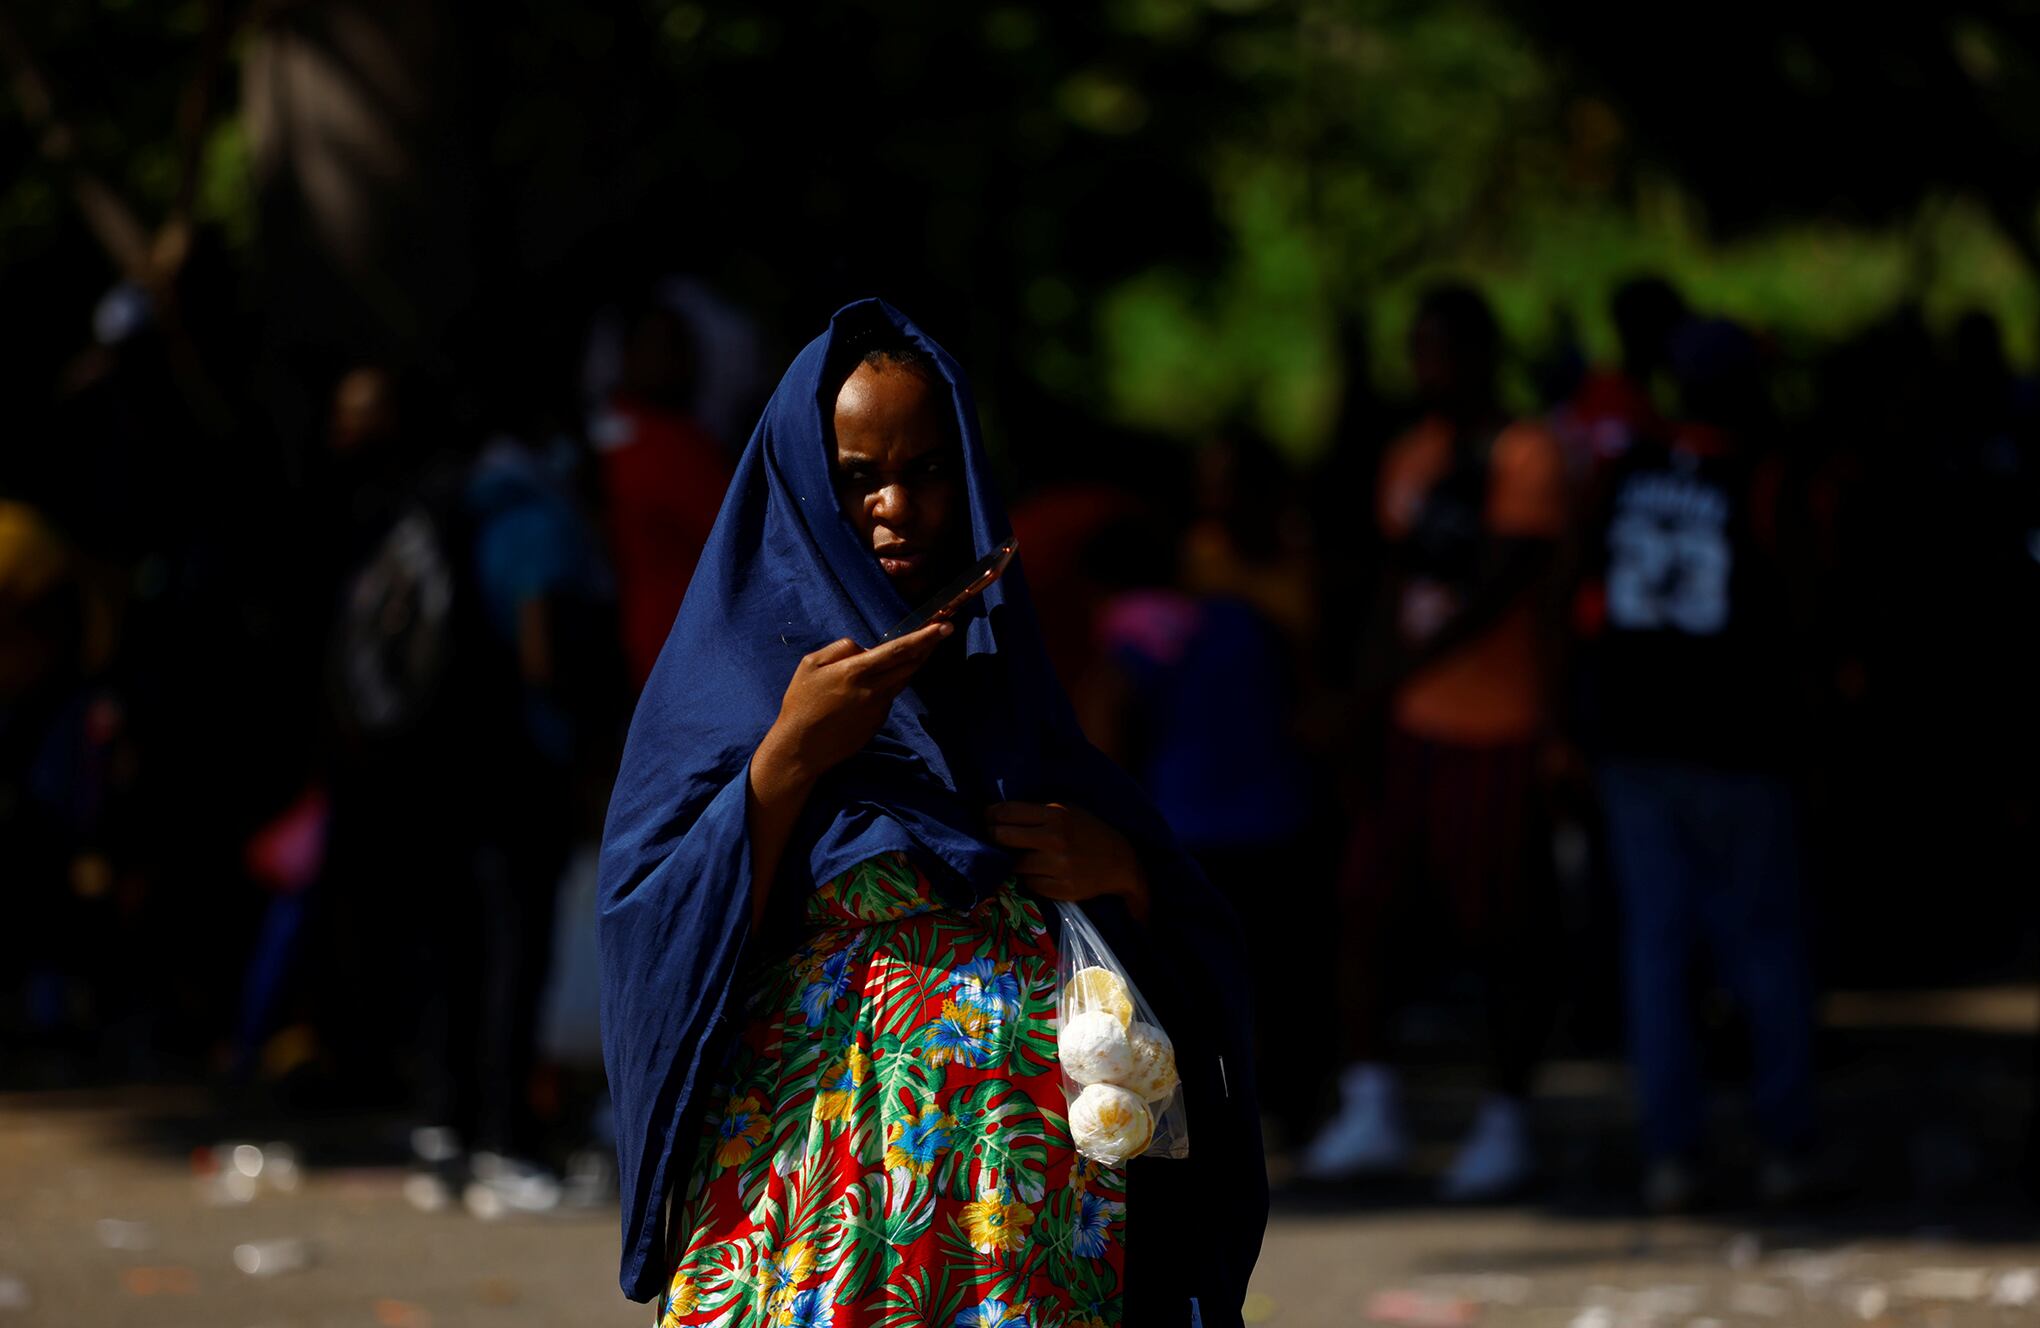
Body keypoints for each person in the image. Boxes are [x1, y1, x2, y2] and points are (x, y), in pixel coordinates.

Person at [598, 301, 1266, 1326]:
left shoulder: (1008, 678)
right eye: (860, 477)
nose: (896, 505)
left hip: (1018, 1192)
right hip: (812, 1172)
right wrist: (789, 754)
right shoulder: (732, 678)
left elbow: (1179, 909)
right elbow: (647, 910)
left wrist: (1123, 873)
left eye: (926, 469)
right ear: (806, 485)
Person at [1302, 284, 1568, 1200]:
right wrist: (1360, 695)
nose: (1428, 368)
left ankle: (1506, 1118)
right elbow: (1393, 584)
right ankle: (1371, 1104)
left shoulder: (1528, 454)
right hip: (1411, 727)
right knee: (1365, 906)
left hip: (1499, 724)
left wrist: (1387, 677)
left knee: (1499, 925)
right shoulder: (1409, 457)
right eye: (1418, 350)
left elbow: (1503, 587)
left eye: (1443, 350)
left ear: (1484, 354)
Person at [1579, 318, 1817, 1211]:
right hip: (1737, 741)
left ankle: (1670, 1155)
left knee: (1659, 949)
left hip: (1638, 738)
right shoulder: (1760, 472)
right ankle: (1785, 1143)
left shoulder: (1626, 469)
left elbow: (1584, 586)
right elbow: (1800, 604)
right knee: (1762, 943)